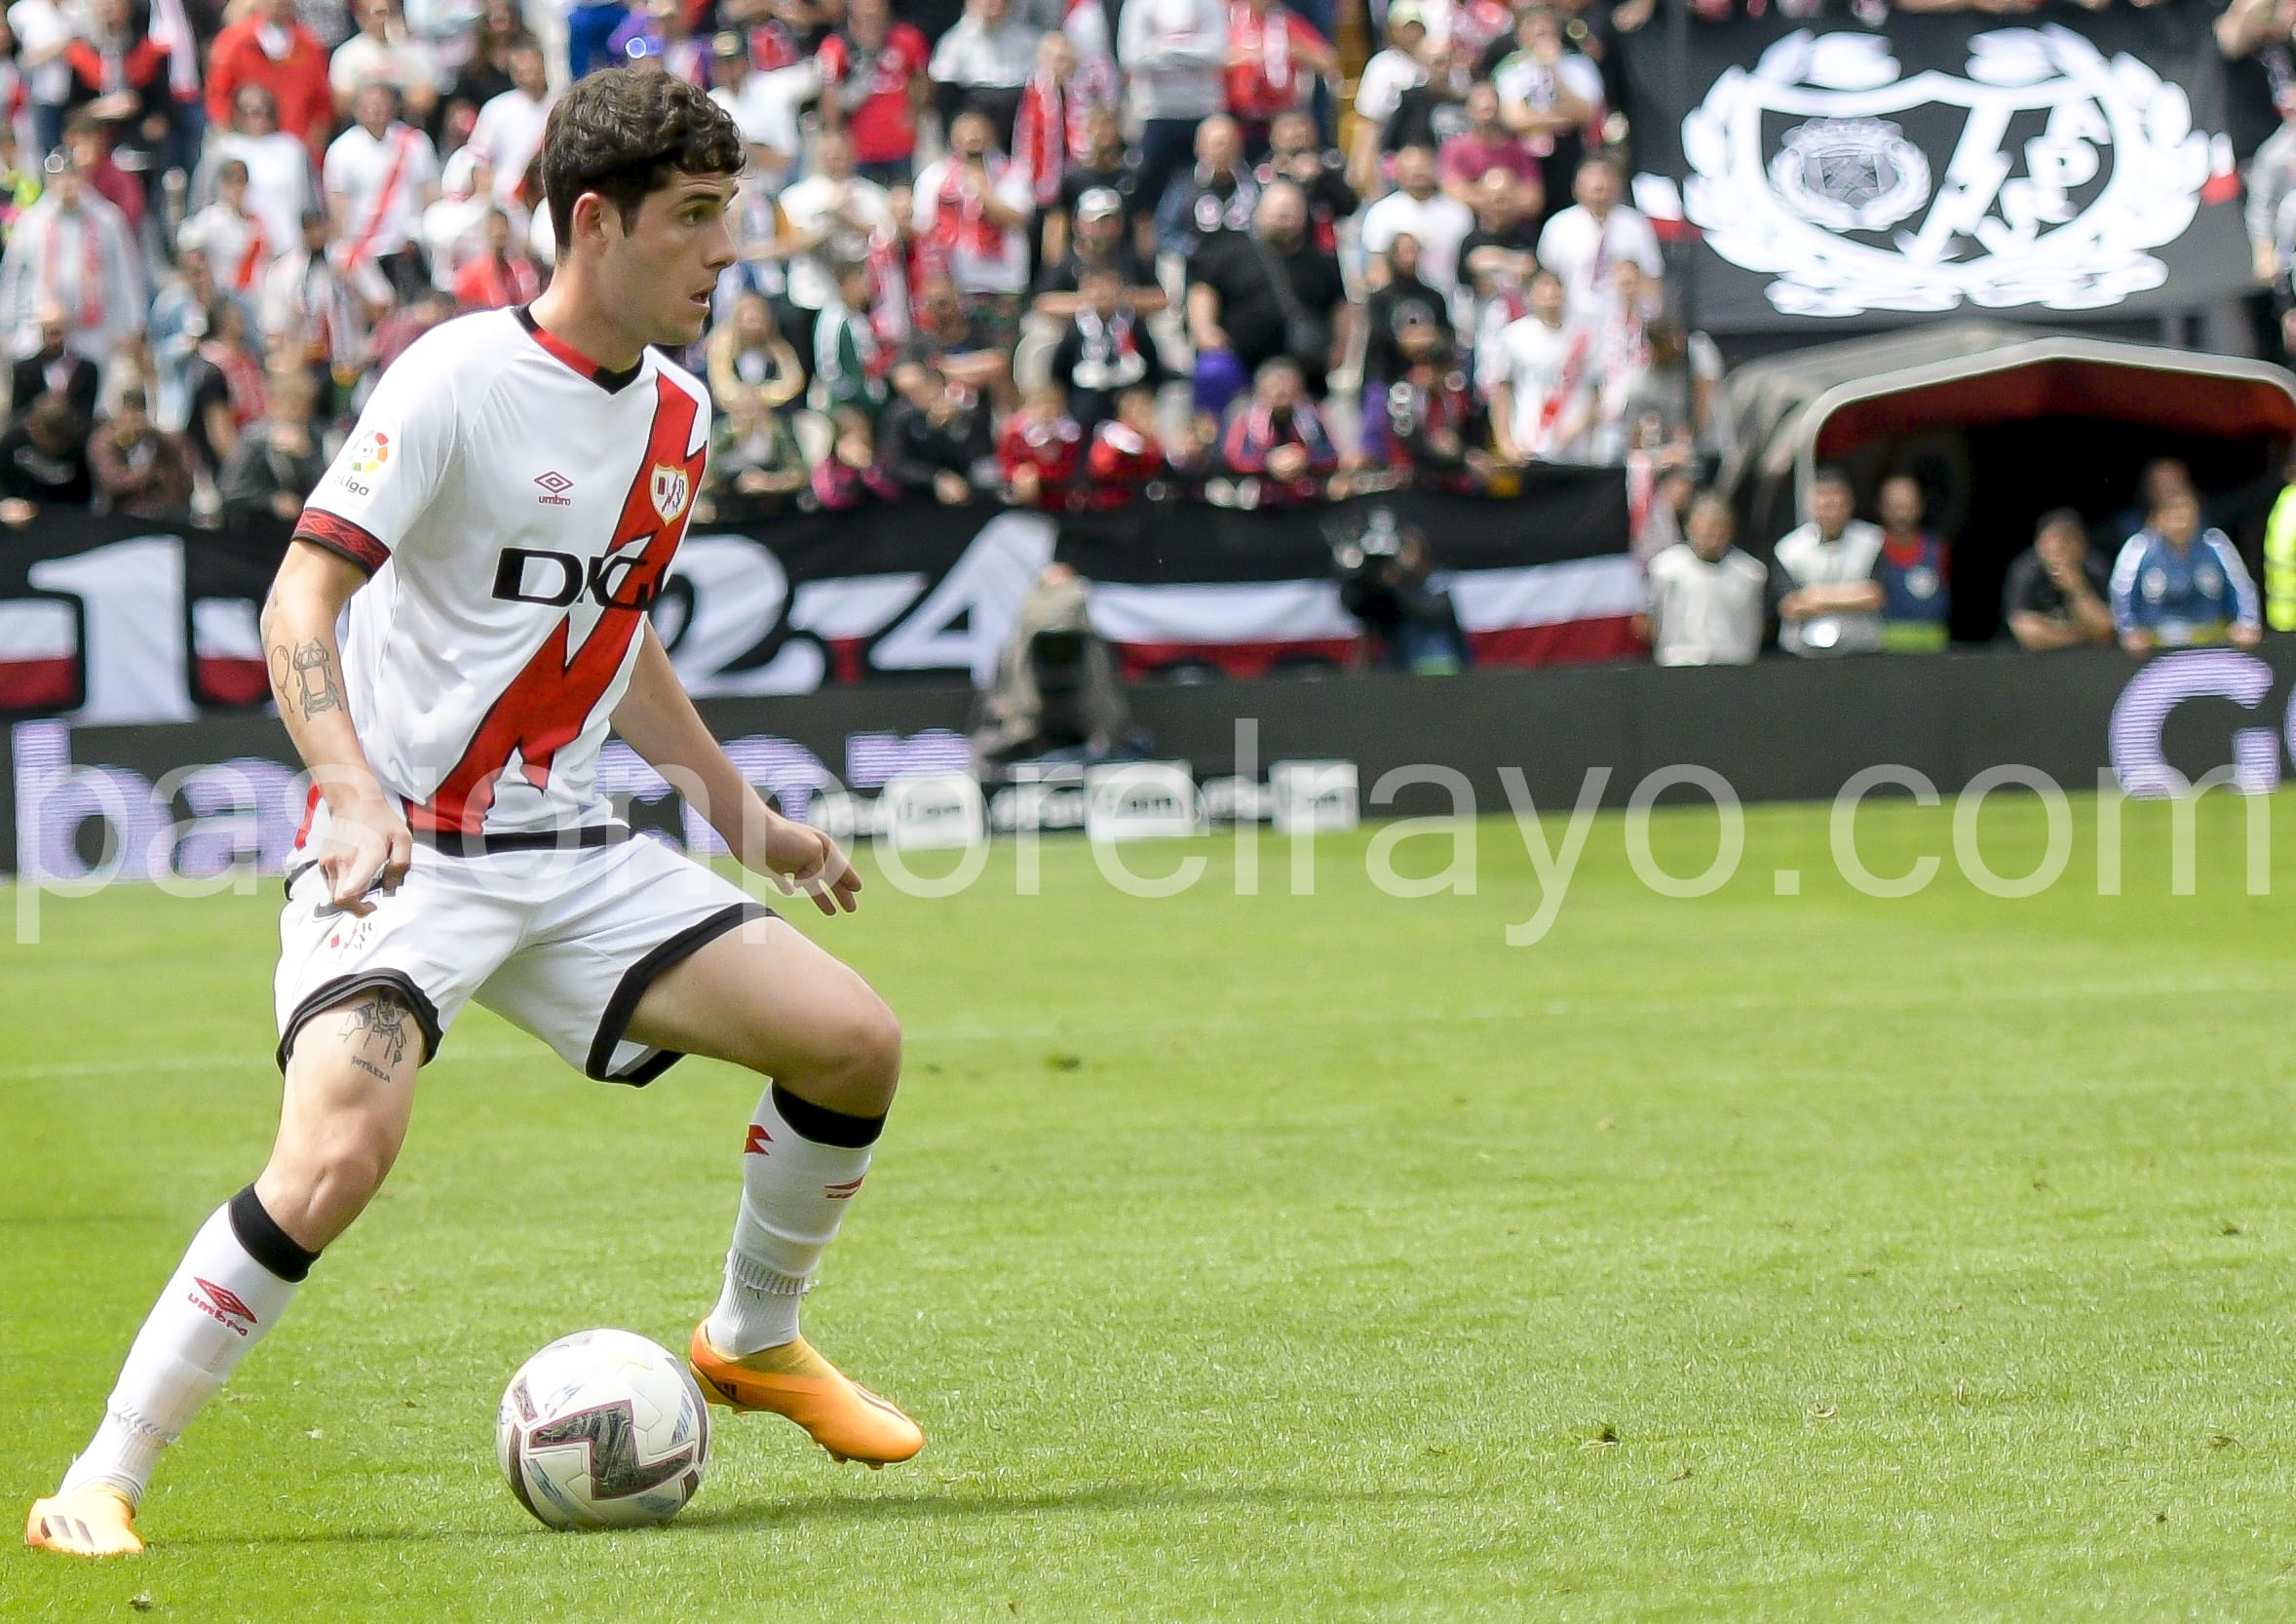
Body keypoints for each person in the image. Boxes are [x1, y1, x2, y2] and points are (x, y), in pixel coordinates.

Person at [25, 67, 919, 1564]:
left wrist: (747, 820)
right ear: (594, 221)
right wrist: (349, 789)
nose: (723, 253)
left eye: (729, 216)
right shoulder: (452, 378)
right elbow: (304, 591)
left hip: (565, 849)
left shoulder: (682, 412)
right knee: (333, 1157)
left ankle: (753, 1336)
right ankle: (100, 1477)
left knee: (854, 1040)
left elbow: (614, 641)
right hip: (404, 850)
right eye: (695, 219)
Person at [1184, 179, 1345, 417]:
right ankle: (1213, 445)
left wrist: (1339, 346)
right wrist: (1205, 330)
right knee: (1212, 370)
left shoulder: (1321, 262)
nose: (1285, 218)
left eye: (1291, 212)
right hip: (1241, 360)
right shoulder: (1229, 251)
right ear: (1259, 212)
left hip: (1303, 366)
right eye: (1279, 212)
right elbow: (1202, 290)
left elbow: (1341, 306)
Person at [0, 156, 142, 364]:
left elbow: (125, 273)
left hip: (93, 331)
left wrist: (132, 325)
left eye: (72, 176)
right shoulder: (31, 222)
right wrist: (7, 323)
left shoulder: (107, 219)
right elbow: (14, 275)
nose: (67, 184)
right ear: (50, 181)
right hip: (41, 331)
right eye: (59, 178)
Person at [2111, 484, 2264, 655]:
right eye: (2174, 516)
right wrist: (2128, 631)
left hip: (2210, 641)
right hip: (2157, 646)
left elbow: (2242, 587)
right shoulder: (2139, 548)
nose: (2181, 523)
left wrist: (2247, 623)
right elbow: (2121, 592)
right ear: (2158, 518)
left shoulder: (2215, 543)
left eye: (2187, 515)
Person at [325, 82, 441, 305]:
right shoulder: (341, 150)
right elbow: (337, 205)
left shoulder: (415, 142)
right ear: (356, 109)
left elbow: (429, 193)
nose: (374, 110)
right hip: (366, 253)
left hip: (406, 246)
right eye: (368, 105)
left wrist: (420, 232)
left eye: (381, 105)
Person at [1118, 0, 1228, 224]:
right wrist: (1191, 51)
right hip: (1155, 113)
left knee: (1210, 188)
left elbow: (1218, 53)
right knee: (1145, 192)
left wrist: (1162, 48)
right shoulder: (1138, 5)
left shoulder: (1210, 3)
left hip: (1203, 110)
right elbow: (1132, 58)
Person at [1637, 491, 1766, 667]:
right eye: (1704, 527)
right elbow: (1646, 621)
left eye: (1717, 527)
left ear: (1729, 530)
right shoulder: (1664, 569)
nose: (1710, 534)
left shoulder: (1751, 573)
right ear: (1689, 527)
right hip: (1678, 664)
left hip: (1733, 666)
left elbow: (1757, 623)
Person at [814, 0, 933, 186]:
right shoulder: (836, 47)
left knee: (902, 202)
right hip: (857, 149)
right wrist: (835, 135)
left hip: (900, 143)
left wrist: (915, 112)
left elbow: (922, 78)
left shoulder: (907, 38)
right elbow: (830, 96)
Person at [1772, 467, 1885, 658]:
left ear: (1850, 504)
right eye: (1823, 504)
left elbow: (1874, 597)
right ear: (1812, 504)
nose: (1831, 511)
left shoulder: (1873, 541)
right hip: (1803, 655)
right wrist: (1852, 597)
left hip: (1860, 653)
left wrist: (1816, 596)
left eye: (1837, 503)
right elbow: (1790, 607)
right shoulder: (1788, 549)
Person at [1536, 152, 1662, 323]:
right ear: (1576, 187)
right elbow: (1546, 280)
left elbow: (1652, 278)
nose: (1599, 187)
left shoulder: (1635, 225)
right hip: (1572, 323)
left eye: (1605, 180)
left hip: (1621, 323)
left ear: (1618, 185)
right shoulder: (1558, 226)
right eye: (1591, 181)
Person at [1488, 267, 1591, 465]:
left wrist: (1579, 424)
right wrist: (1504, 440)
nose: (1552, 292)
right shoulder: (1514, 337)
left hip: (1575, 449)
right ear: (1531, 294)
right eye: (1544, 285)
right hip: (1529, 444)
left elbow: (1597, 389)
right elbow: (1501, 389)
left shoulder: (1582, 336)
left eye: (1557, 286)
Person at [207, 0, 335, 158]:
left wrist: (308, 155)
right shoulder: (234, 43)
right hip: (244, 151)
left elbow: (321, 107)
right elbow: (218, 98)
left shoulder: (309, 47)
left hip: (296, 150)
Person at [1359, 142, 1474, 313]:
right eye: (1412, 169)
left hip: (1453, 303)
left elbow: (1466, 265)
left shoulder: (1458, 213)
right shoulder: (1382, 213)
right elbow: (1377, 270)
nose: (1418, 174)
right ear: (1398, 171)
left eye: (1423, 167)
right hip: (1403, 308)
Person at [928, 0, 1040, 148]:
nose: (992, 4)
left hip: (1019, 126)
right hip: (973, 127)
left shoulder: (1029, 40)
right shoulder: (954, 42)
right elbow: (945, 95)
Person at [2003, 508, 2116, 653]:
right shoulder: (2026, 571)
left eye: (2068, 541)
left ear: (2082, 545)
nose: (2058, 552)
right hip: (2032, 665)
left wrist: (2077, 588)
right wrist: (2084, 638)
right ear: (2038, 544)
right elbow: (2028, 634)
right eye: (2051, 542)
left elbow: (2106, 628)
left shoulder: (2097, 570)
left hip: (2089, 663)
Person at [90, 384, 198, 518]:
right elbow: (111, 481)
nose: (132, 419)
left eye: (138, 412)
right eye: (128, 412)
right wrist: (148, 474)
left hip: (164, 513)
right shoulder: (104, 440)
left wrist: (160, 445)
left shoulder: (165, 441)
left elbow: (184, 482)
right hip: (118, 514)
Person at [1874, 474, 1951, 653]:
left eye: (1907, 507)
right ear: (1881, 508)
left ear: (1920, 507)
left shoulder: (1938, 550)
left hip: (1934, 647)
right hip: (1883, 648)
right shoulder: (1870, 548)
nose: (1901, 515)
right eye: (1894, 507)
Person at [0, 388, 90, 515]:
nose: (59, 448)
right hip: (21, 517)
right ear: (35, 427)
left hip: (64, 518)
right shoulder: (12, 444)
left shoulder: (78, 448)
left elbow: (84, 495)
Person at [9, 302, 99, 418]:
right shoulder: (24, 371)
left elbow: (87, 412)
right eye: (51, 334)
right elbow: (16, 414)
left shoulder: (86, 370)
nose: (56, 340)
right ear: (42, 334)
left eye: (59, 333)